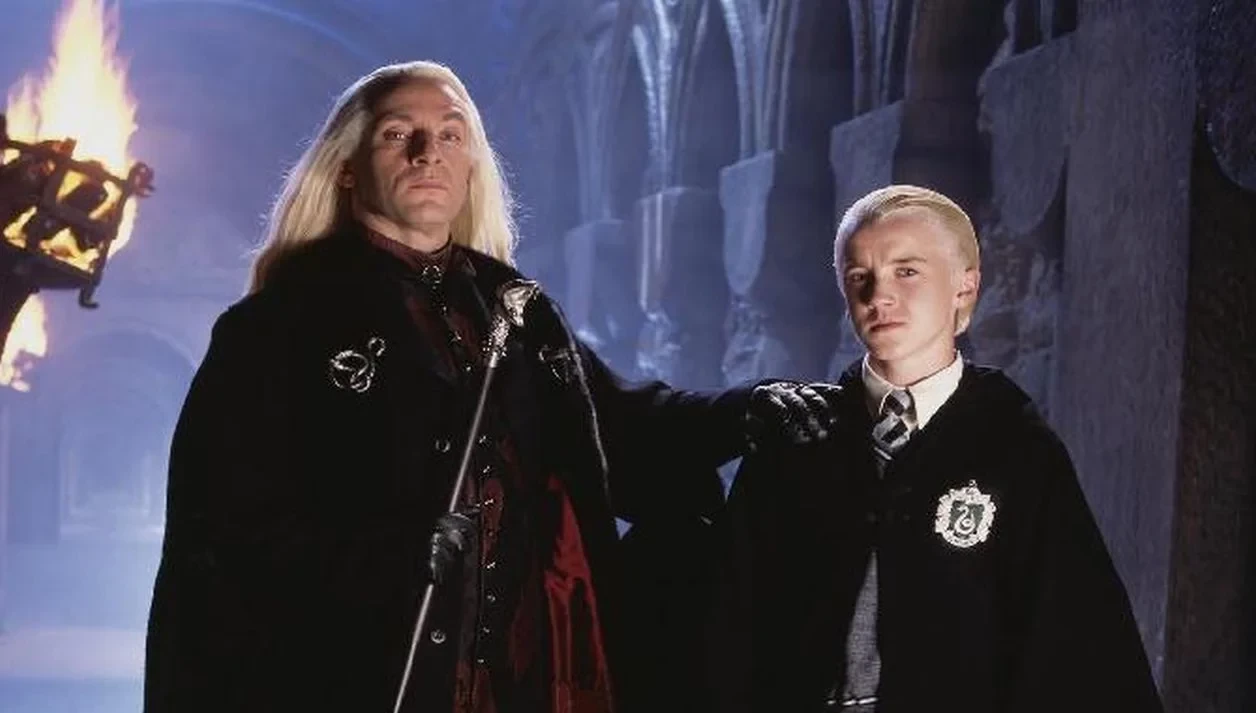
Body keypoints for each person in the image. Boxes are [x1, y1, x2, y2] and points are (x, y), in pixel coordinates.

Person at [143, 60, 832, 713]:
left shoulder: (516, 307)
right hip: (364, 670)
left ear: (472, 163)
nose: (428, 153)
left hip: (523, 673)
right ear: (348, 168)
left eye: (451, 135)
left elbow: (619, 425)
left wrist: (747, 408)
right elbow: (222, 531)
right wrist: (385, 557)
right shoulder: (278, 326)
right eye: (398, 134)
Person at [709, 184, 1163, 713]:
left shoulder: (1014, 449)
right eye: (858, 276)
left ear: (965, 287)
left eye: (907, 271)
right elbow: (730, 626)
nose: (878, 295)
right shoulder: (797, 440)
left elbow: (1076, 640)